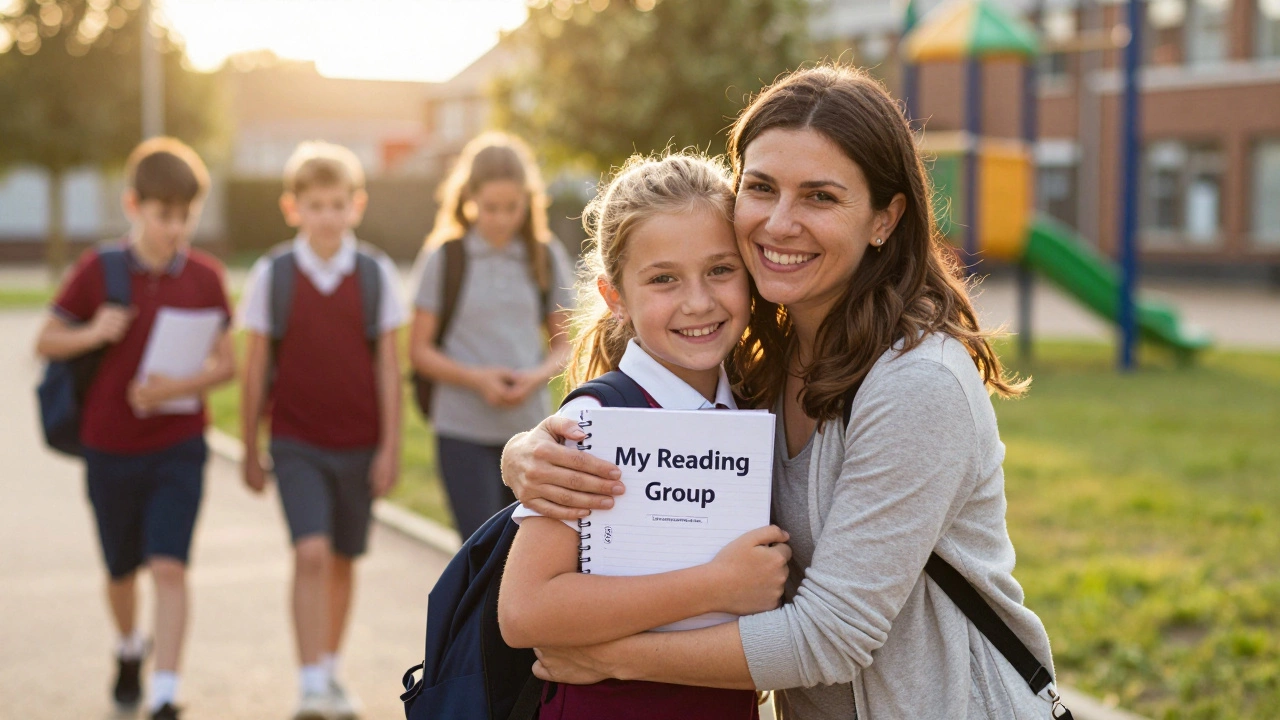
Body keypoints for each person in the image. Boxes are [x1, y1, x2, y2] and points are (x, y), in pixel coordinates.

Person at [501, 65, 1062, 718]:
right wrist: (522, 453)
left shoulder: (918, 383)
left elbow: (830, 637)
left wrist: (612, 658)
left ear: (885, 218)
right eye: (761, 188)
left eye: (820, 197)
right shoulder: (755, 364)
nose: (779, 222)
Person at [499, 152, 791, 720]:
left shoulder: (752, 408)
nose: (699, 301)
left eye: (720, 270)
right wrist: (717, 584)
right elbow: (526, 610)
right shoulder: (596, 420)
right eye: (663, 279)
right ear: (616, 299)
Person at [34, 137, 236, 720]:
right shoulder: (98, 270)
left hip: (178, 447)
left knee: (169, 565)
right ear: (133, 206)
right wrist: (94, 331)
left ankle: (166, 690)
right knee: (121, 570)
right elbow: (45, 340)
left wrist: (174, 389)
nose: (175, 227)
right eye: (162, 214)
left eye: (185, 215)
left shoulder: (205, 276)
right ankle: (128, 647)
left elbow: (225, 364)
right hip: (110, 448)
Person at [238, 141, 405, 720]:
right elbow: (256, 365)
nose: (327, 216)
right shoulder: (274, 274)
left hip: (359, 443)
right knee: (309, 553)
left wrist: (391, 448)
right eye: (315, 205)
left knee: (341, 560)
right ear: (293, 209)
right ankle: (309, 680)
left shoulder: (376, 274)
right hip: (296, 441)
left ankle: (330, 670)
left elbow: (389, 366)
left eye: (337, 204)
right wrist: (248, 448)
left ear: (355, 205)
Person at [408, 132, 573, 540]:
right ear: (469, 198)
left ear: (528, 200)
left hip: (530, 432)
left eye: (511, 207)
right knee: (478, 550)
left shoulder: (546, 255)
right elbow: (419, 351)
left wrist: (534, 377)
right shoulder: (445, 257)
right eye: (490, 207)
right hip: (462, 432)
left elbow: (565, 343)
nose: (501, 218)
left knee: (522, 555)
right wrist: (477, 379)